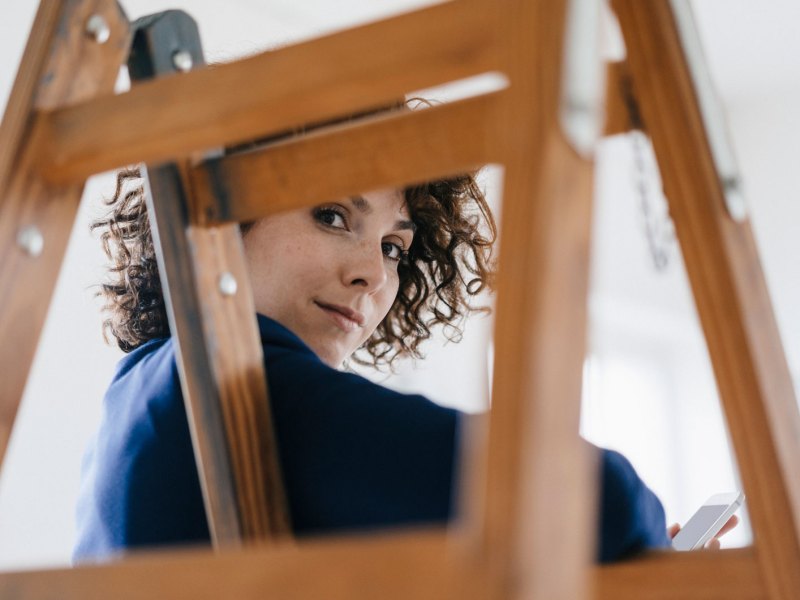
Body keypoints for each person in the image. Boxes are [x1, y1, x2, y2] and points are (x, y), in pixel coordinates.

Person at [73, 130, 731, 564]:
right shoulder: (245, 383)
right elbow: (596, 497)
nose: (375, 274)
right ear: (220, 221)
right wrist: (645, 556)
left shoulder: (140, 390)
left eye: (393, 247)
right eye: (331, 215)